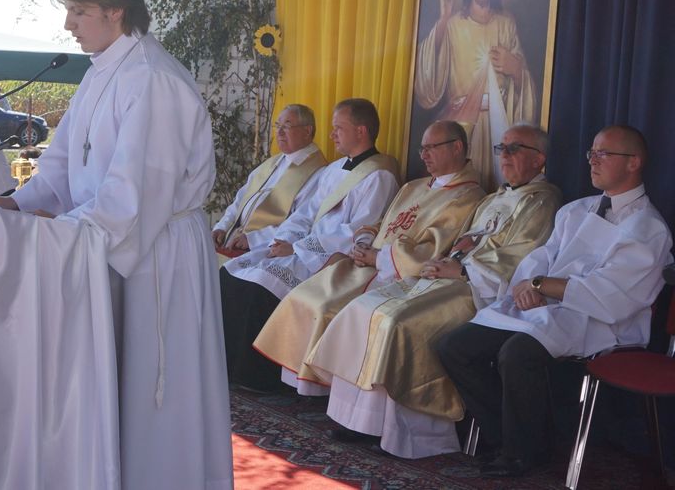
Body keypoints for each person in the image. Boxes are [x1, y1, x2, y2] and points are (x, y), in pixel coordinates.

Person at [0, 0, 233, 490]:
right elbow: (61, 164)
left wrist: (67, 237)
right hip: (105, 242)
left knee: (155, 396)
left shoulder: (153, 79)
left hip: (155, 253)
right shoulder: (101, 73)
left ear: (115, 10)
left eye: (78, 11)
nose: (68, 24)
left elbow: (136, 191)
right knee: (116, 388)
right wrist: (17, 206)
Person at [309, 124, 561, 458]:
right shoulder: (494, 198)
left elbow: (522, 256)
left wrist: (463, 269)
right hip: (447, 276)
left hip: (482, 290)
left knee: (398, 322)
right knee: (366, 308)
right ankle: (361, 420)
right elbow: (464, 240)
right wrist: (446, 260)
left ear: (539, 159)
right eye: (502, 148)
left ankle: (408, 436)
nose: (505, 156)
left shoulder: (543, 200)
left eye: (515, 149)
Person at [436, 125, 672, 478]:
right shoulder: (576, 210)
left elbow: (612, 294)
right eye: (591, 153)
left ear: (633, 162)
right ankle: (510, 437)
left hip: (599, 321)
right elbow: (543, 256)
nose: (593, 161)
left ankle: (522, 453)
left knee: (517, 353)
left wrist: (542, 285)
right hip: (546, 306)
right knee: (455, 346)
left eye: (603, 154)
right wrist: (526, 285)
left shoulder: (648, 228)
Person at [253, 120, 485, 394]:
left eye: (431, 148)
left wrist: (379, 257)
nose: (424, 155)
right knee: (305, 295)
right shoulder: (414, 187)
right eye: (422, 149)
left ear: (456, 147)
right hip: (367, 262)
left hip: (397, 274)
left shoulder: (467, 196)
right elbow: (381, 223)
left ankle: (326, 389)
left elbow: (433, 249)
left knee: (329, 308)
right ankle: (301, 383)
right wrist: (363, 241)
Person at [219, 98, 399, 392]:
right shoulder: (335, 168)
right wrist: (284, 239)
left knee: (257, 287)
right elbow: (305, 213)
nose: (331, 135)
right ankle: (227, 365)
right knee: (230, 273)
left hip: (326, 258)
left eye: (338, 128)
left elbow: (356, 231)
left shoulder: (379, 176)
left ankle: (259, 377)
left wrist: (298, 249)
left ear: (361, 131)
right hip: (300, 247)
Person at [414, 0, 537, 191]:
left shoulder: (506, 23)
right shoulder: (454, 25)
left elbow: (523, 85)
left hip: (497, 127)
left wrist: (515, 69)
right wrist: (443, 19)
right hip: (463, 128)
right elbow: (428, 85)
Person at [211, 104, 327, 254]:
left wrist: (253, 239)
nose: (279, 132)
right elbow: (241, 200)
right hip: (231, 240)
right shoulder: (273, 163)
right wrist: (222, 226)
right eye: (277, 126)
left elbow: (302, 221)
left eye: (287, 126)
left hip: (264, 249)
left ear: (307, 131)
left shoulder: (318, 172)